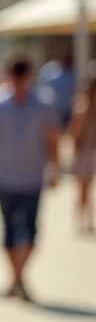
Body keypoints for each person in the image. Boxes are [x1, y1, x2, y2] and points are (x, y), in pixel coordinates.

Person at [0, 55, 60, 300]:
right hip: (5, 177)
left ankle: (17, 279)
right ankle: (17, 278)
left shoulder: (43, 103)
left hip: (32, 177)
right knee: (8, 231)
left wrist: (54, 167)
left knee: (31, 231)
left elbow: (52, 138)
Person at [68, 64, 96, 233]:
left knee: (87, 189)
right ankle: (81, 219)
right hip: (84, 151)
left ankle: (86, 219)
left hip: (90, 151)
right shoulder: (81, 107)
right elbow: (75, 133)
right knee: (83, 189)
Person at [39, 50, 75, 130]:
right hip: (54, 110)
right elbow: (43, 89)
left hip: (68, 110)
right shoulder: (48, 70)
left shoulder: (72, 72)